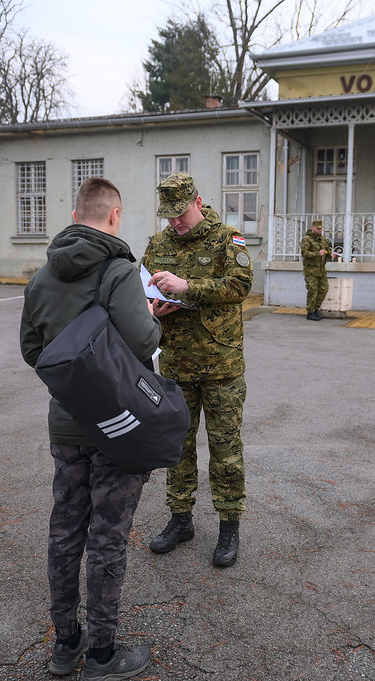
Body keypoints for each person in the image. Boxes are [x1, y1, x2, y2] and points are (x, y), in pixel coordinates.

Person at [20, 177, 158, 680]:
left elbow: (33, 353)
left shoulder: (40, 278)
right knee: (108, 537)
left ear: (75, 213)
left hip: (67, 425)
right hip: (117, 426)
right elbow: (143, 343)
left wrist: (73, 385)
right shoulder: (120, 272)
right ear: (114, 216)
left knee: (65, 532)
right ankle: (102, 654)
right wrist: (151, 315)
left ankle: (65, 645)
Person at [142, 172, 252, 568]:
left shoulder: (228, 238)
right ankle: (180, 518)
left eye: (180, 213)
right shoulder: (158, 243)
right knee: (177, 448)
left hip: (221, 365)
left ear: (198, 202)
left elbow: (241, 285)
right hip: (175, 364)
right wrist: (153, 308)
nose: (175, 222)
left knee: (225, 450)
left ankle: (228, 525)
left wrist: (189, 286)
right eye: (168, 215)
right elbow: (143, 289)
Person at [300, 219, 335, 321]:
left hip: (321, 270)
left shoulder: (323, 239)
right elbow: (304, 253)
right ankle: (310, 312)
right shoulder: (307, 239)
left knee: (323, 289)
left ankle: (316, 309)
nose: (320, 231)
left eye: (321, 229)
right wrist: (317, 254)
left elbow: (327, 249)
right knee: (312, 291)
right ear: (313, 228)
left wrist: (330, 253)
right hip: (311, 270)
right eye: (318, 229)